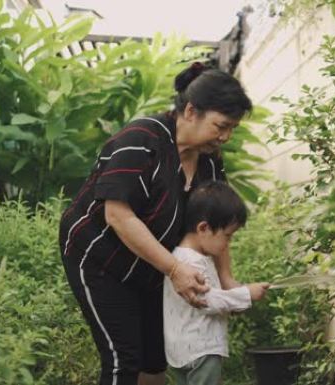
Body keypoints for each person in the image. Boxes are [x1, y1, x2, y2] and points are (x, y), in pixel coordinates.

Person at [59, 62, 253, 385]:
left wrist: (227, 280)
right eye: (221, 126)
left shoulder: (210, 164)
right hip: (98, 257)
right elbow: (117, 215)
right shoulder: (141, 140)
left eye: (232, 128)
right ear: (191, 111)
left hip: (152, 264)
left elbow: (216, 225)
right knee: (124, 358)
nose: (226, 137)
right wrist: (175, 270)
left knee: (155, 358)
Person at [163, 180, 269, 385]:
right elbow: (207, 301)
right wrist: (247, 293)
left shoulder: (179, 257)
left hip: (181, 350)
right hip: (201, 350)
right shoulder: (190, 263)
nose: (228, 243)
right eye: (228, 236)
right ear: (203, 228)